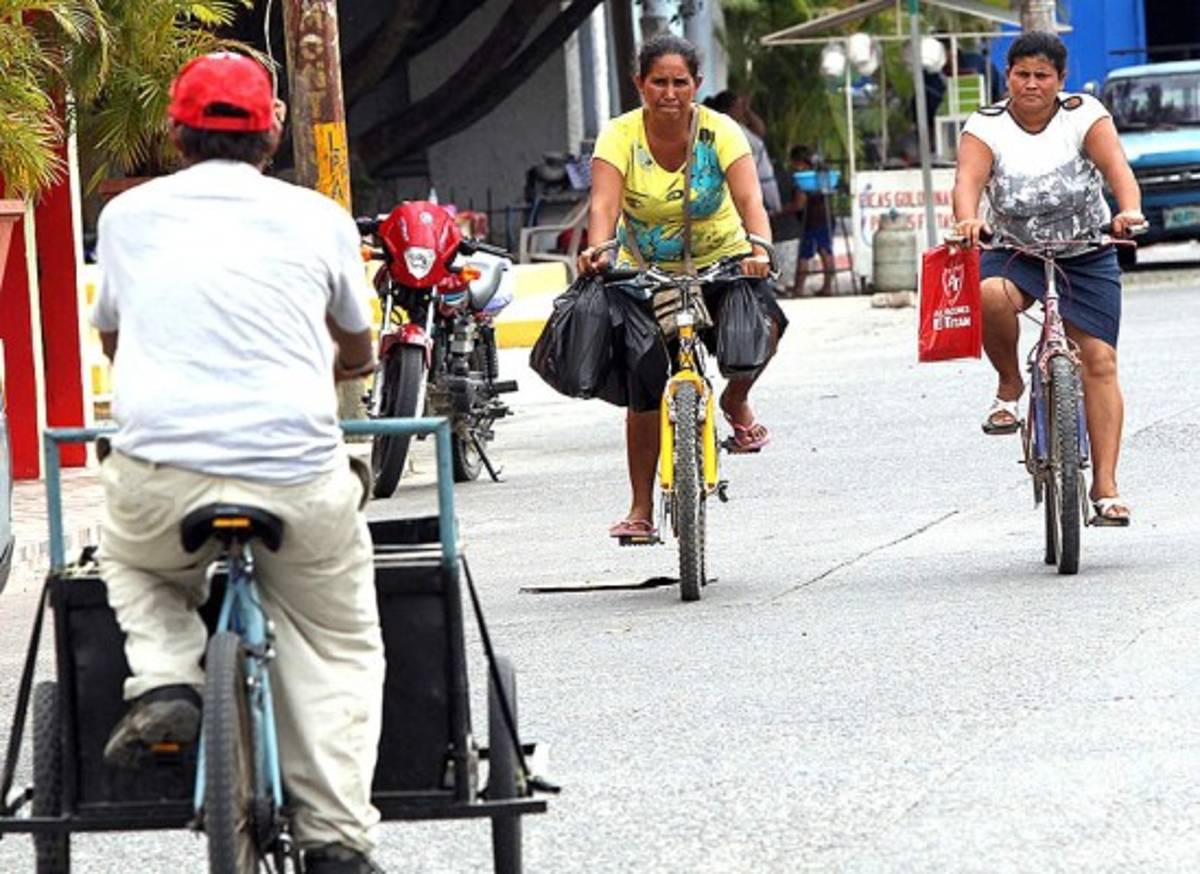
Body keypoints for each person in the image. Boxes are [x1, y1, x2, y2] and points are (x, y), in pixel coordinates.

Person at [92, 53, 386, 873]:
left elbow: (112, 335)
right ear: (271, 133)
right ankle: (336, 840)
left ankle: (165, 678)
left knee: (134, 563)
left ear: (174, 133)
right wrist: (351, 364)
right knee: (333, 640)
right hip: (295, 473)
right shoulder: (318, 217)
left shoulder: (125, 217)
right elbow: (356, 340)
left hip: (162, 472)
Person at [575, 33, 788, 540]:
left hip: (723, 263)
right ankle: (640, 508)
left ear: (696, 85)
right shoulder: (619, 135)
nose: (669, 93)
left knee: (764, 327)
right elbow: (603, 205)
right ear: (639, 84)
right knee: (644, 383)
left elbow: (750, 200)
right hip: (644, 272)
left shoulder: (721, 132)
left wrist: (759, 250)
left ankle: (735, 400)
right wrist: (598, 251)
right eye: (658, 82)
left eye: (680, 82)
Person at [952, 32, 1144, 526]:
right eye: (1022, 74)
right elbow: (967, 182)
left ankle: (1105, 488)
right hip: (1013, 251)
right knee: (990, 295)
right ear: (1008, 77)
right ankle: (1009, 383)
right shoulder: (986, 124)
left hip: (1085, 251)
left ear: (1061, 79)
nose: (1031, 84)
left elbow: (1117, 170)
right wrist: (968, 219)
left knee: (1099, 361)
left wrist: (1129, 211)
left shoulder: (1084, 114)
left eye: (1042, 75)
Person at [705, 90, 783, 216]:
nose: (742, 111)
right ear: (729, 109)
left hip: (762, 182)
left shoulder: (739, 126)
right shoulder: (726, 129)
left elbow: (760, 130)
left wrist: (747, 110)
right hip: (751, 185)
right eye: (739, 107)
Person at [787, 145, 836, 297]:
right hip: (826, 217)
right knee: (825, 251)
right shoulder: (822, 174)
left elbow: (799, 204)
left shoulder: (803, 178)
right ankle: (827, 287)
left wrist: (779, 211)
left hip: (811, 221)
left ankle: (798, 288)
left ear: (799, 162)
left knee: (804, 255)